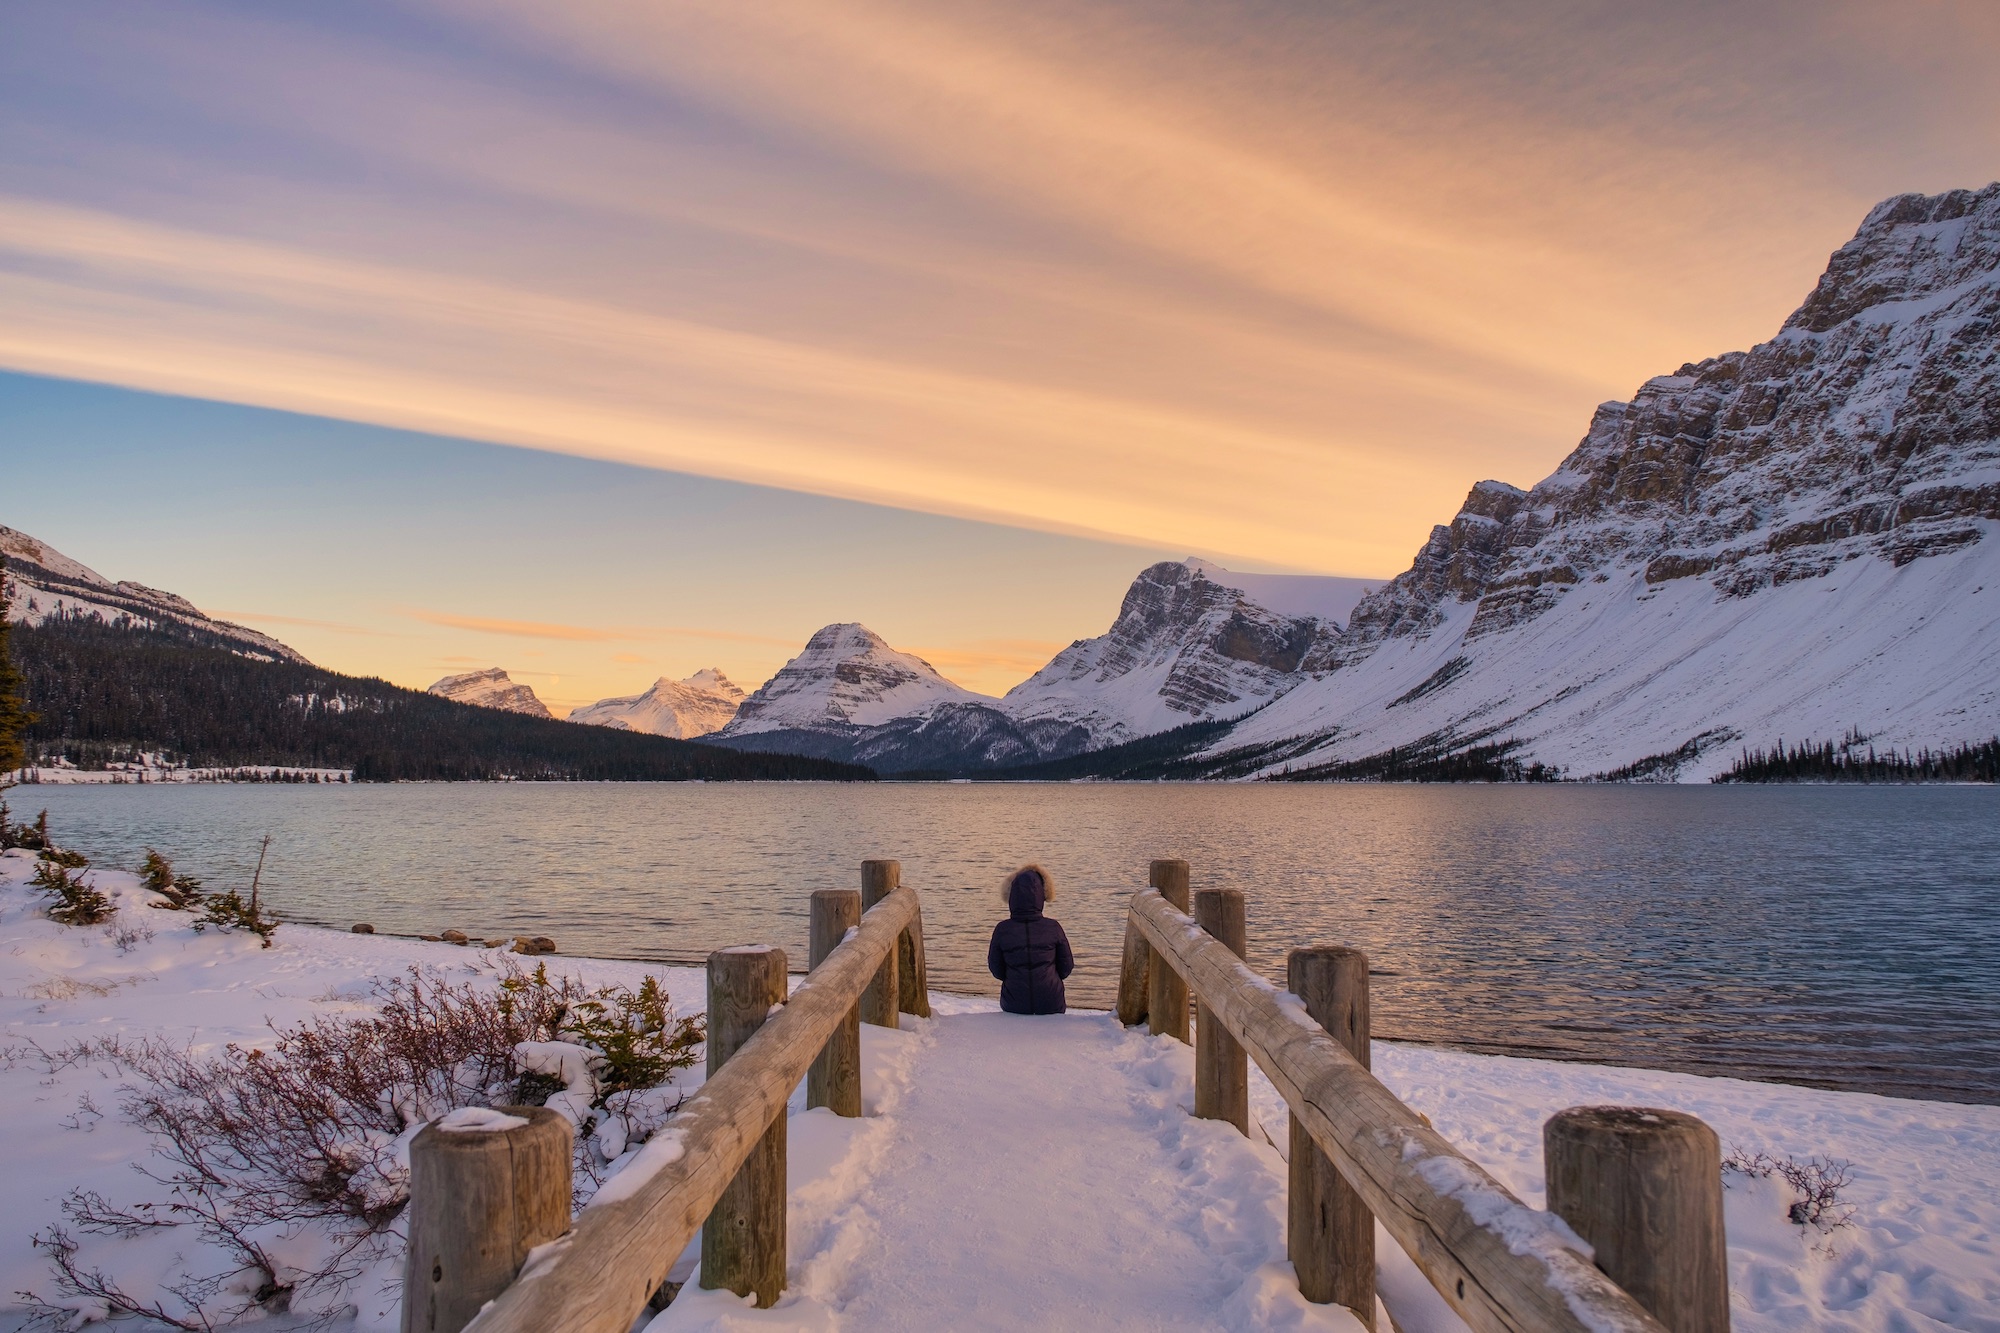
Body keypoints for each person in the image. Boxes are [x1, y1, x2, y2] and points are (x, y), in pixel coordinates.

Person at [987, 864, 1074, 1015]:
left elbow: (996, 970)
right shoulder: (1053, 927)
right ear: (1042, 895)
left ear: (1011, 896)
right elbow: (1066, 967)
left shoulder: (1002, 929)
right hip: (1051, 1003)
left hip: (1014, 1004)